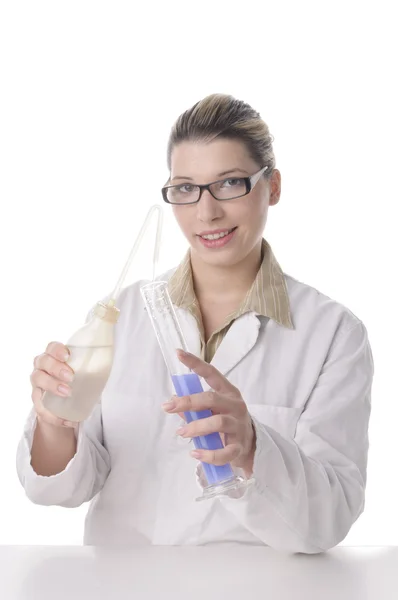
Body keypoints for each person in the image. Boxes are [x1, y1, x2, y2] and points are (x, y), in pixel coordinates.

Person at [16, 93, 374, 553]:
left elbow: (330, 518)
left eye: (229, 184)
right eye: (185, 188)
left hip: (252, 588)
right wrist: (55, 423)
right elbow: (56, 489)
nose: (206, 212)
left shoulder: (334, 335)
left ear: (274, 186)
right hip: (124, 584)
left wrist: (253, 448)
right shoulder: (121, 316)